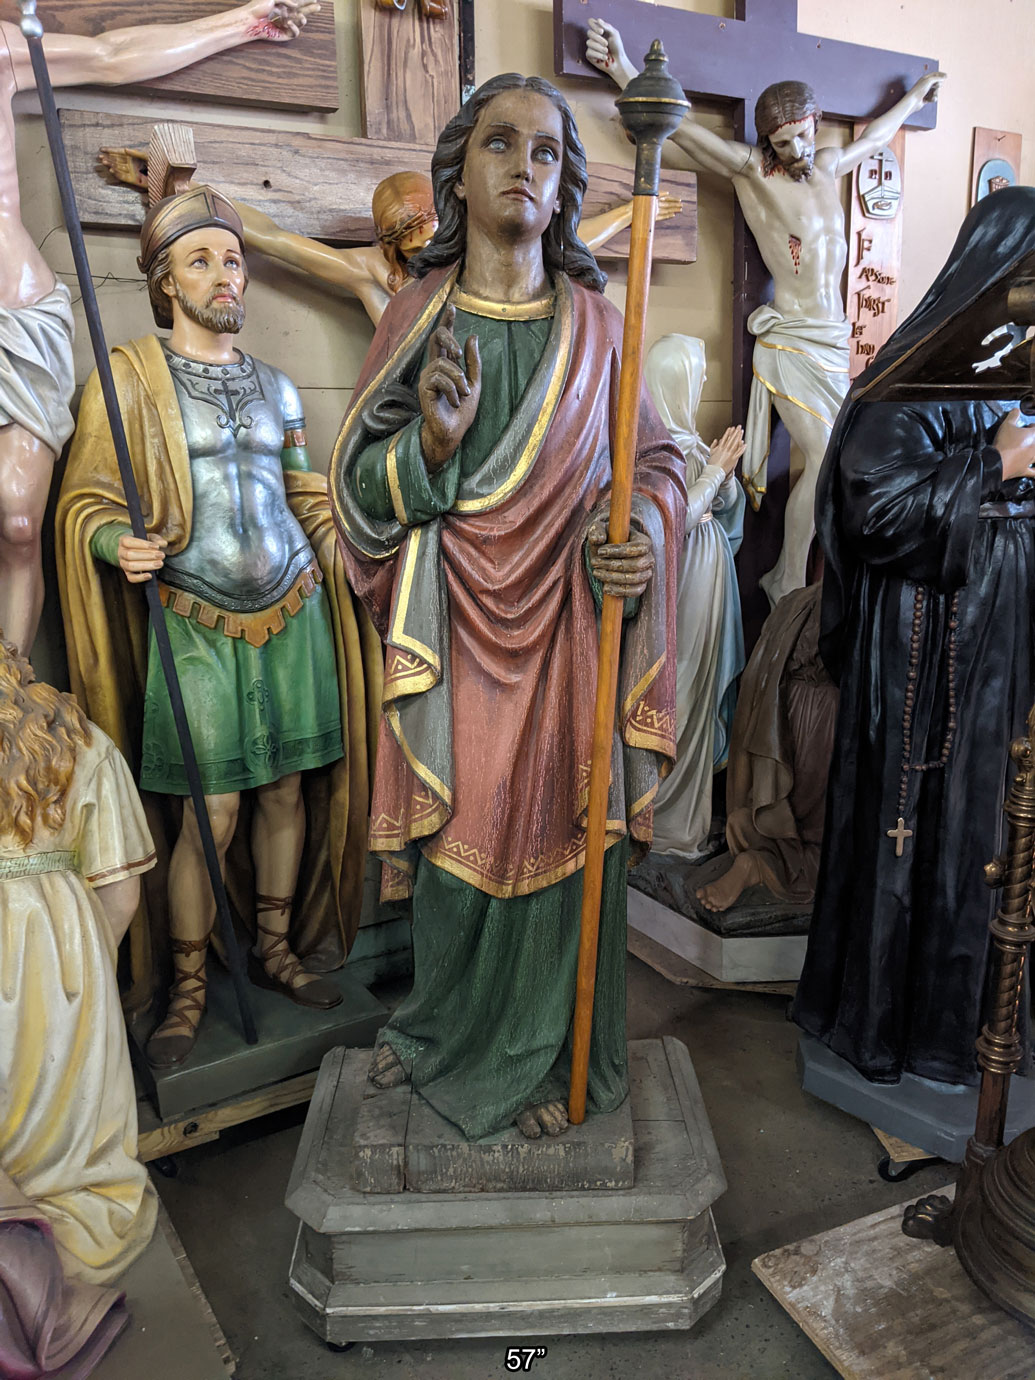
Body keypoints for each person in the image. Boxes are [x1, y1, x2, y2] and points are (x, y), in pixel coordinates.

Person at [331, 74, 685, 1140]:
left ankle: (556, 1060)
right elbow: (355, 492)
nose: (523, 167)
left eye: (545, 151)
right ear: (458, 173)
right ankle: (439, 1034)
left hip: (574, 628)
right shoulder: (418, 316)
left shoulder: (601, 328)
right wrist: (429, 449)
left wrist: (640, 533)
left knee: (564, 840)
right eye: (499, 144)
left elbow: (658, 465)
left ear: (565, 184)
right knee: (458, 841)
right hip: (455, 629)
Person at [56, 187, 382, 1069]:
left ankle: (275, 950)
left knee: (286, 794)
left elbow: (299, 489)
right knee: (210, 811)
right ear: (166, 281)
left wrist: (356, 546)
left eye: (232, 259)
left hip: (296, 606)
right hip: (194, 617)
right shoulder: (129, 380)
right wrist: (112, 540)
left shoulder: (277, 387)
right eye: (199, 261)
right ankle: (189, 987)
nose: (223, 274)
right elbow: (85, 499)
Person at [792, 186, 1035, 1087]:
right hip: (924, 657)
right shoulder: (909, 377)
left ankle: (974, 1027)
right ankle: (893, 1031)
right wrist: (993, 465)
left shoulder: (1012, 374)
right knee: (920, 834)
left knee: (987, 828)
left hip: (1000, 649)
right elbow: (873, 510)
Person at [586, 17, 944, 606]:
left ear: (815, 124)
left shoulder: (829, 164)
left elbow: (876, 139)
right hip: (791, 343)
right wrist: (625, 70)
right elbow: (687, 133)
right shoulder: (753, 171)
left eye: (803, 136)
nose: (796, 150)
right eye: (783, 143)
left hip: (832, 341)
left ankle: (803, 571)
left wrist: (912, 98)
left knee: (835, 459)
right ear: (767, 144)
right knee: (827, 458)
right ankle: (788, 575)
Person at [0, 0, 317, 657]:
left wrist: (243, 22)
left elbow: (112, 55)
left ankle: (10, 690)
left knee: (20, 522)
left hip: (12, 308)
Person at [0, 636, 158, 1283]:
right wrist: (89, 969)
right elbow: (122, 891)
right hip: (67, 939)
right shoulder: (82, 738)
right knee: (67, 1092)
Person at [155, 168, 682, 328]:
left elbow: (566, 243)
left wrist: (629, 214)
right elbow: (276, 239)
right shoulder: (374, 273)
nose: (424, 239)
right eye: (405, 230)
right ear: (388, 238)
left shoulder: (477, 256)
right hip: (413, 413)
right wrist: (190, 193)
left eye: (429, 221)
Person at [643, 335, 746, 859]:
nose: (704, 383)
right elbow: (671, 520)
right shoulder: (652, 452)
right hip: (679, 588)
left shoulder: (691, 445)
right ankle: (663, 823)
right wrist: (713, 473)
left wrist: (722, 479)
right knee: (676, 692)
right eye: (697, 376)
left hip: (707, 585)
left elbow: (723, 506)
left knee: (701, 698)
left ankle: (688, 822)